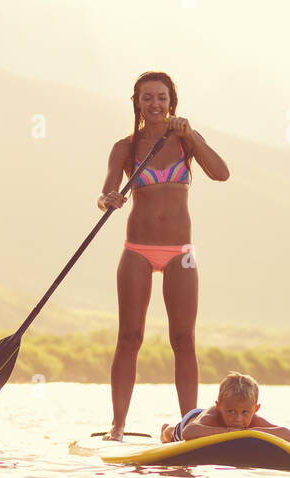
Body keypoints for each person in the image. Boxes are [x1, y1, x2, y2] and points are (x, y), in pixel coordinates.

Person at [98, 71, 230, 442]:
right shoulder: (125, 147)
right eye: (146, 98)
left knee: (184, 339)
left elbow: (221, 173)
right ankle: (118, 427)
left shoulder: (187, 141)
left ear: (172, 101)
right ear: (136, 103)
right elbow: (106, 191)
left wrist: (192, 136)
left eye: (161, 97)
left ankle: (188, 423)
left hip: (180, 253)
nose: (154, 104)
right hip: (137, 250)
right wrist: (108, 199)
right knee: (129, 337)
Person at [161, 372, 290, 443]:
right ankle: (165, 429)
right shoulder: (213, 415)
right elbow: (188, 433)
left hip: (208, 423)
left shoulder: (253, 420)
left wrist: (251, 433)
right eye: (231, 412)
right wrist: (228, 432)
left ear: (255, 409)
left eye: (245, 412)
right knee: (171, 433)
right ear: (219, 406)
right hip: (194, 420)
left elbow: (289, 436)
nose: (238, 418)